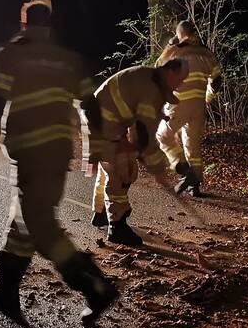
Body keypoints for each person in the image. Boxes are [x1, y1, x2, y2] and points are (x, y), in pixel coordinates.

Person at [0, 0, 117, 328]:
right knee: (25, 221)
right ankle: (6, 291)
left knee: (40, 225)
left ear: (24, 23)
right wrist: (95, 145)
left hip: (29, 151)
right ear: (49, 25)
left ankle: (95, 286)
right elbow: (90, 106)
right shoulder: (69, 59)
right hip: (56, 151)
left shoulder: (11, 54)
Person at [88, 60, 189, 246]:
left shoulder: (149, 77)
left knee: (109, 166)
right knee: (123, 170)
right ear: (171, 73)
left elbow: (140, 128)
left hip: (100, 121)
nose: (180, 84)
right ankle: (117, 227)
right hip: (104, 125)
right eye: (180, 79)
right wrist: (157, 169)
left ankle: (100, 212)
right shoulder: (152, 89)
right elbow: (144, 135)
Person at [155, 21, 221, 196]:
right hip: (199, 106)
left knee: (163, 136)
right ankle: (195, 185)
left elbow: (158, 67)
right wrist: (207, 97)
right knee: (192, 144)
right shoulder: (207, 53)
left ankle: (184, 170)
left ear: (179, 34)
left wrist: (169, 45)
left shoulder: (176, 51)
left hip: (178, 104)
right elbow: (216, 79)